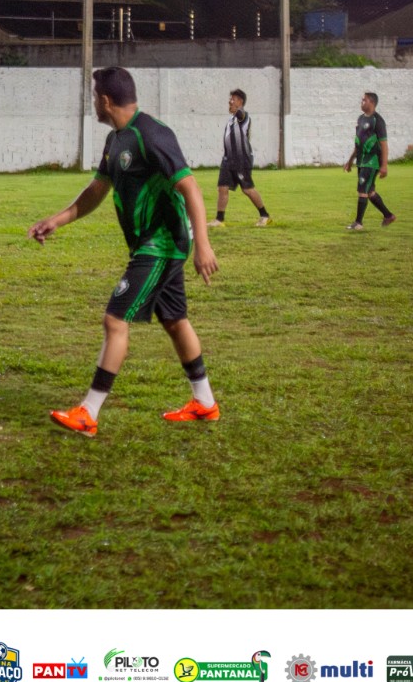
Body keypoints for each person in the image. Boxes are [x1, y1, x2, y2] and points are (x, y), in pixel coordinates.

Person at [27, 66, 220, 437]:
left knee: (115, 320)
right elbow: (97, 190)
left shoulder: (152, 134)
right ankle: (205, 403)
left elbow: (191, 188)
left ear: (104, 100)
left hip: (161, 245)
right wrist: (57, 220)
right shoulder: (115, 140)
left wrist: (203, 245)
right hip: (151, 244)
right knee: (175, 320)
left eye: (93, 97)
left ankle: (88, 412)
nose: (92, 103)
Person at [208, 89, 271, 228]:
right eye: (230, 98)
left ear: (240, 102)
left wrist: (237, 110)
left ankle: (265, 216)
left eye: (233, 99)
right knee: (222, 188)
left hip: (241, 160)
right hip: (228, 160)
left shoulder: (244, 116)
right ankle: (219, 220)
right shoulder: (231, 120)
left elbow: (241, 114)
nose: (230, 101)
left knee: (247, 189)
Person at [344, 91, 396, 231]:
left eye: (364, 100)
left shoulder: (378, 121)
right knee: (370, 191)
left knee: (362, 190)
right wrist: (350, 161)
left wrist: (384, 165)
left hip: (372, 162)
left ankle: (358, 223)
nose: (361, 102)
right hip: (361, 161)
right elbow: (358, 142)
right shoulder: (361, 119)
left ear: (372, 102)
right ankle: (388, 216)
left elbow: (384, 145)